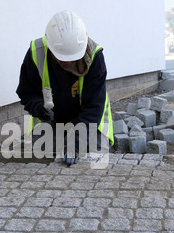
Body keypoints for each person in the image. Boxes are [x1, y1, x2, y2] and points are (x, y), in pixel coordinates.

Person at [16, 10, 114, 165]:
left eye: (72, 58)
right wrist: (38, 108)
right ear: (50, 46)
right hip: (52, 121)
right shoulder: (36, 52)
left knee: (94, 158)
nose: (67, 63)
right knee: (42, 158)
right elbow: (26, 92)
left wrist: (75, 145)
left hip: (88, 119)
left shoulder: (95, 56)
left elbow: (93, 108)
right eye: (62, 58)